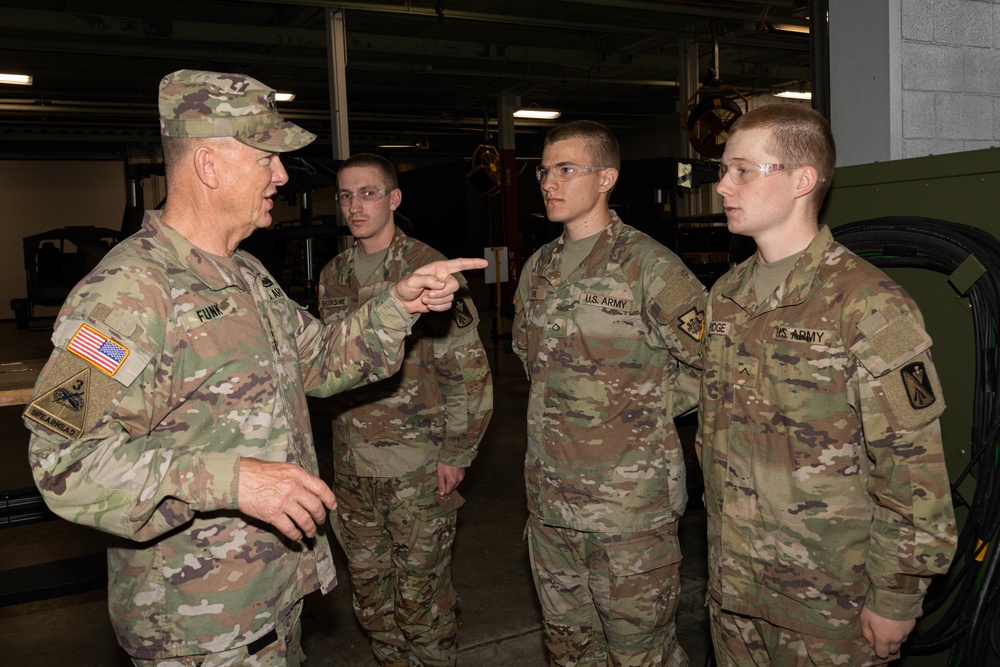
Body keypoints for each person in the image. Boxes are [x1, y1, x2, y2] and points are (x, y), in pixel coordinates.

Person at [23, 69, 486, 667]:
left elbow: (318, 360)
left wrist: (398, 307)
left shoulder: (246, 275)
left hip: (273, 602)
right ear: (210, 165)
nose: (282, 175)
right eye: (266, 157)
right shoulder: (127, 293)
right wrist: (232, 479)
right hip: (199, 632)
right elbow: (63, 461)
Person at [698, 103, 958, 665]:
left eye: (743, 169)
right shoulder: (725, 295)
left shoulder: (868, 304)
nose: (723, 186)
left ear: (803, 179)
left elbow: (912, 467)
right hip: (735, 593)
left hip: (829, 607)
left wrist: (897, 595)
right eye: (723, 170)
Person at [511, 120, 707, 666]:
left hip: (629, 510)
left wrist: (644, 404)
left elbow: (718, 360)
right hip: (550, 504)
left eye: (567, 170)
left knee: (641, 654)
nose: (549, 183)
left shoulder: (649, 266)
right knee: (570, 651)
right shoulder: (538, 270)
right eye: (545, 171)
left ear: (606, 179)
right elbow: (533, 363)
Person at [316, 153, 493, 666]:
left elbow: (468, 370)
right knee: (373, 603)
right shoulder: (334, 274)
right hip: (352, 469)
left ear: (393, 198)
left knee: (422, 605)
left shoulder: (427, 269)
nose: (355, 206)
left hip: (416, 467)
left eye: (368, 193)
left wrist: (458, 452)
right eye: (346, 195)